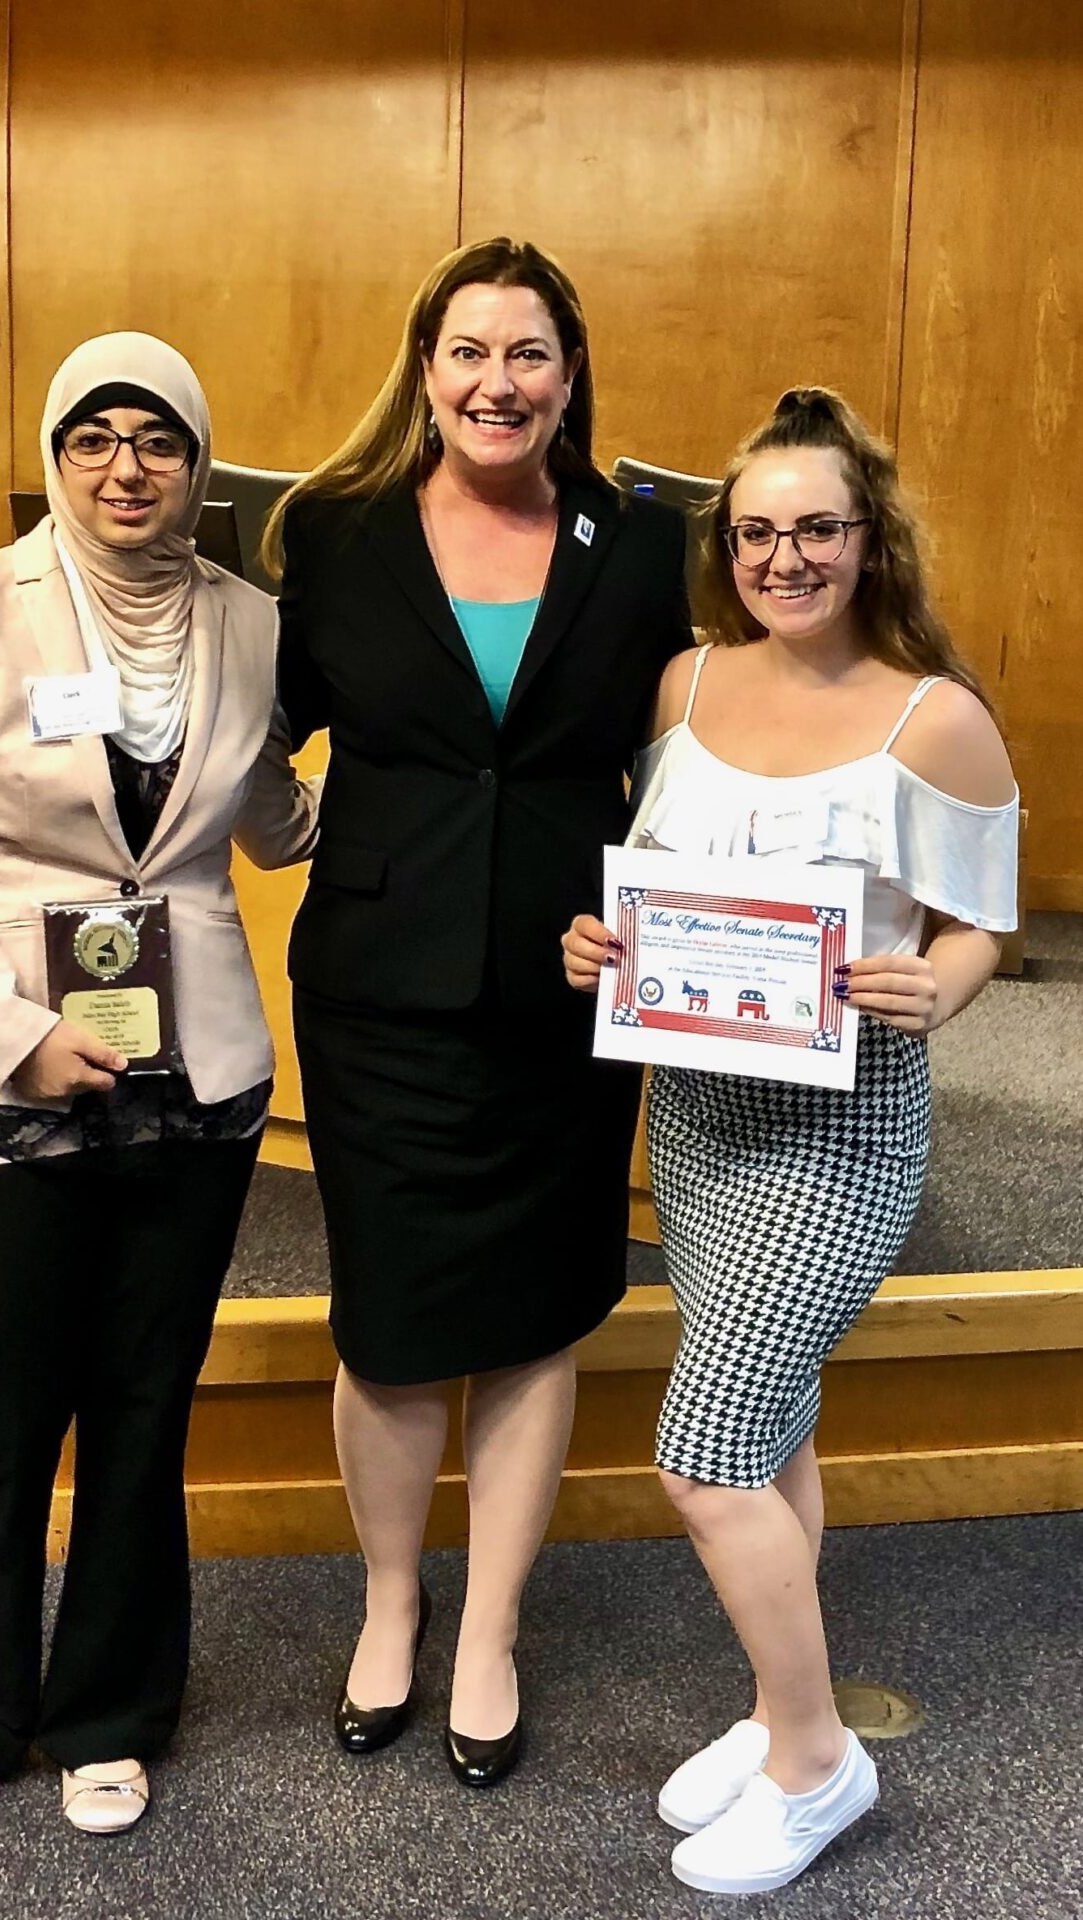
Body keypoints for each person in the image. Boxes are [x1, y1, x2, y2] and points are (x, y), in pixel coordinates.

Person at [0, 332, 319, 1833]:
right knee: (5, 1393)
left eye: (159, 441)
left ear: (200, 463)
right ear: (58, 457)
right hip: (7, 1072)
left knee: (142, 1395)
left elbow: (271, 820)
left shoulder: (251, 622)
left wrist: (424, 776)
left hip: (198, 1071)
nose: (127, 469)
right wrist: (14, 1031)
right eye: (94, 440)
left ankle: (110, 1708)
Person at [563, 386, 1018, 1894]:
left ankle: (820, 1764)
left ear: (869, 537)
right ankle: (774, 1714)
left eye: (818, 527)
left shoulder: (933, 715)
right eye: (758, 532)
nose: (786, 557)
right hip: (698, 1112)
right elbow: (653, 886)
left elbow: (980, 926)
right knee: (777, 1428)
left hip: (844, 1124)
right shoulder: (683, 685)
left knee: (706, 1453)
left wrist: (937, 986)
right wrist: (602, 946)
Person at [263, 237, 691, 1786]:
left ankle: (491, 1629)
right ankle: (393, 1603)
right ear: (426, 370)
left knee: (532, 1310)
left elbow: (692, 760)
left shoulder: (642, 547)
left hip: (570, 991)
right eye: (469, 352)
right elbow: (257, 726)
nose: (496, 383)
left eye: (528, 354)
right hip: (378, 994)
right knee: (388, 1325)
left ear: (570, 377)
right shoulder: (338, 531)